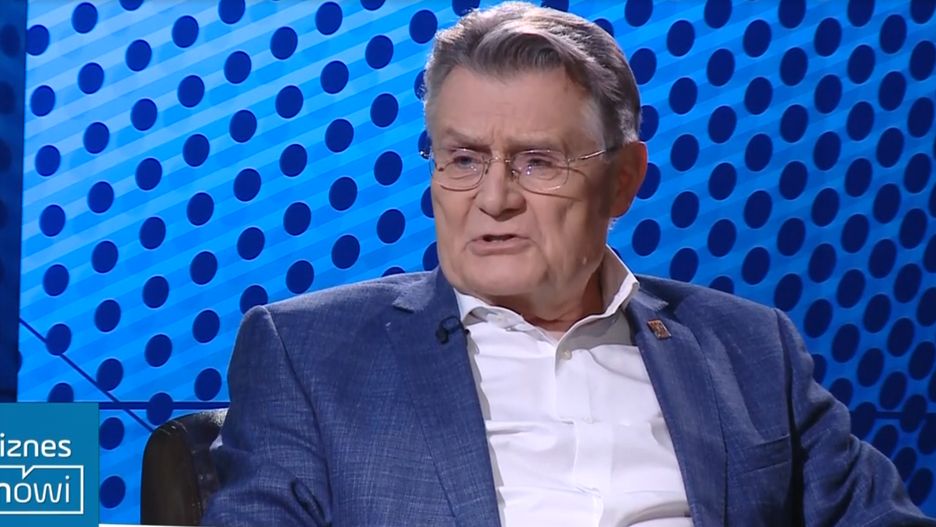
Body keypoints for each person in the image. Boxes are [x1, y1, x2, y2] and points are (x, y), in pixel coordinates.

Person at [202, 3, 933, 526]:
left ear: (623, 179)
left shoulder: (747, 347)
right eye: (464, 159)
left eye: (537, 162)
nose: (494, 198)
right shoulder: (312, 353)